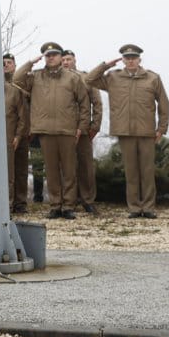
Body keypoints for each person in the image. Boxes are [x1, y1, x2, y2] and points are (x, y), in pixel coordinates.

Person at [86, 45, 169, 218]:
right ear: (123, 60)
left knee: (147, 172)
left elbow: (163, 103)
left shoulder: (152, 78)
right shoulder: (113, 77)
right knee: (131, 172)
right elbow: (89, 79)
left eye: (134, 57)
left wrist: (161, 128)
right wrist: (106, 65)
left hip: (147, 132)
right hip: (125, 132)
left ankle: (148, 207)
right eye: (127, 58)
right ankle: (134, 207)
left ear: (140, 59)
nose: (130, 60)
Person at [14, 43, 90, 219]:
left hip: (67, 130)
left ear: (60, 57)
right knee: (52, 170)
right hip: (45, 131)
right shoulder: (36, 77)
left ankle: (68, 206)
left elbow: (84, 103)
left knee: (69, 170)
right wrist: (30, 62)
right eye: (47, 55)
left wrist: (81, 127)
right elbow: (16, 80)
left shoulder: (72, 78)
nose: (51, 58)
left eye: (54, 55)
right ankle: (56, 205)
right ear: (44, 57)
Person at [62, 50, 103, 214]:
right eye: (63, 59)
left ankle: (88, 200)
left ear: (75, 60)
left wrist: (95, 126)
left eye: (69, 59)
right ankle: (68, 201)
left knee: (85, 166)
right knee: (65, 167)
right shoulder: (56, 80)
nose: (66, 62)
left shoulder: (86, 78)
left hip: (84, 129)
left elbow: (97, 104)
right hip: (63, 130)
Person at [2, 53, 31, 214]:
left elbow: (24, 113)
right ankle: (7, 203)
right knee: (7, 172)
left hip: (20, 133)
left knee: (19, 171)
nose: (5, 66)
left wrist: (20, 135)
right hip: (3, 135)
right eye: (2, 63)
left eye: (8, 63)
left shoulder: (20, 84)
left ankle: (18, 203)